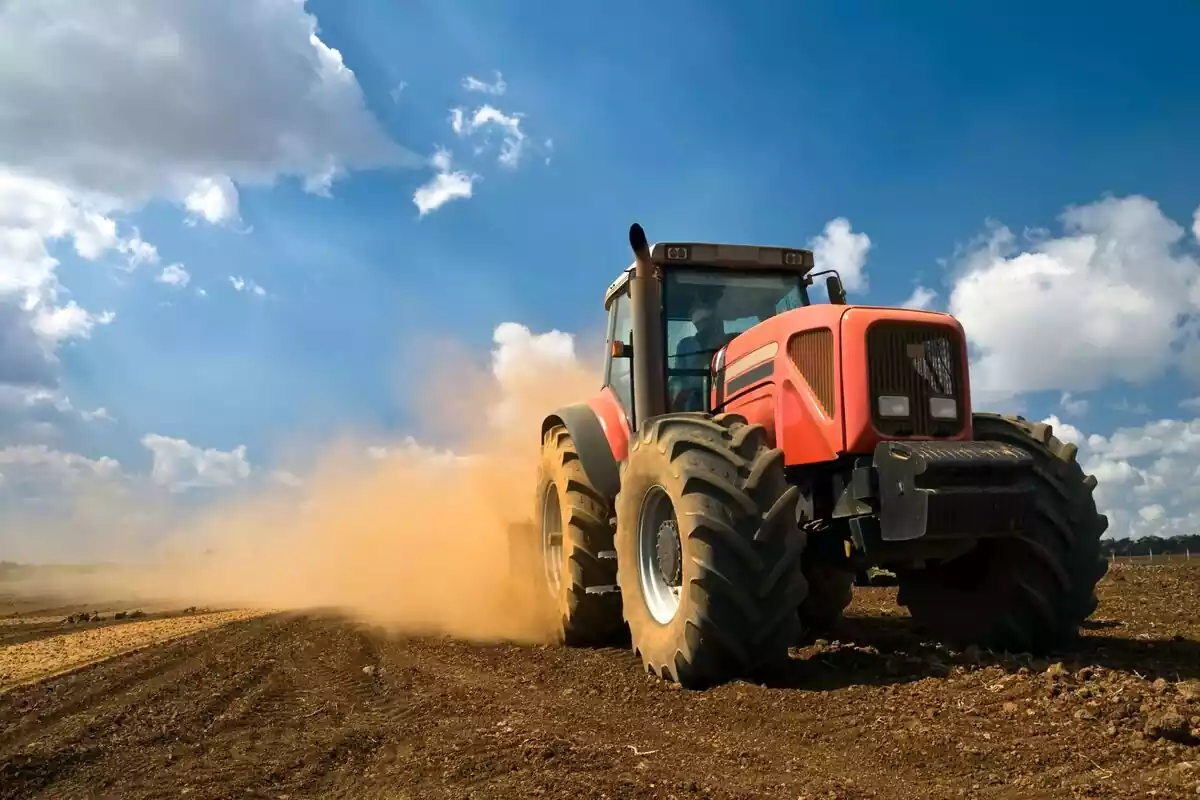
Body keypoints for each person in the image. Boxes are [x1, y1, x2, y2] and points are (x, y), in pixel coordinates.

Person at [669, 292, 727, 411]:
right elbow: (679, 379)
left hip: (722, 397)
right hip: (692, 406)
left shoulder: (729, 342)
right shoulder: (685, 346)